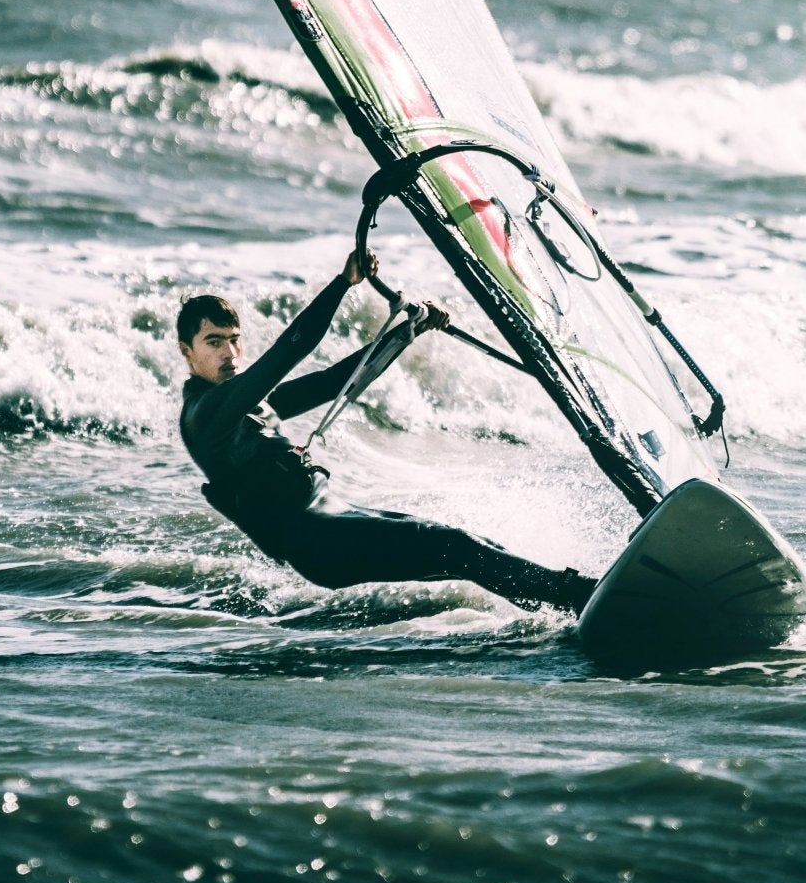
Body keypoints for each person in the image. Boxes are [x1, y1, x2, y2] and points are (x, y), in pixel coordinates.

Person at [177, 252, 595, 614]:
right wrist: (343, 284)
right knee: (455, 546)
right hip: (317, 539)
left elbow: (334, 381)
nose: (230, 353)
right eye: (213, 342)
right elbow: (294, 347)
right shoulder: (207, 412)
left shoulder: (241, 404)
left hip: (335, 519)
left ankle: (566, 602)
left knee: (466, 546)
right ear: (186, 351)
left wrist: (407, 331)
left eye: (234, 340)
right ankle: (579, 597)